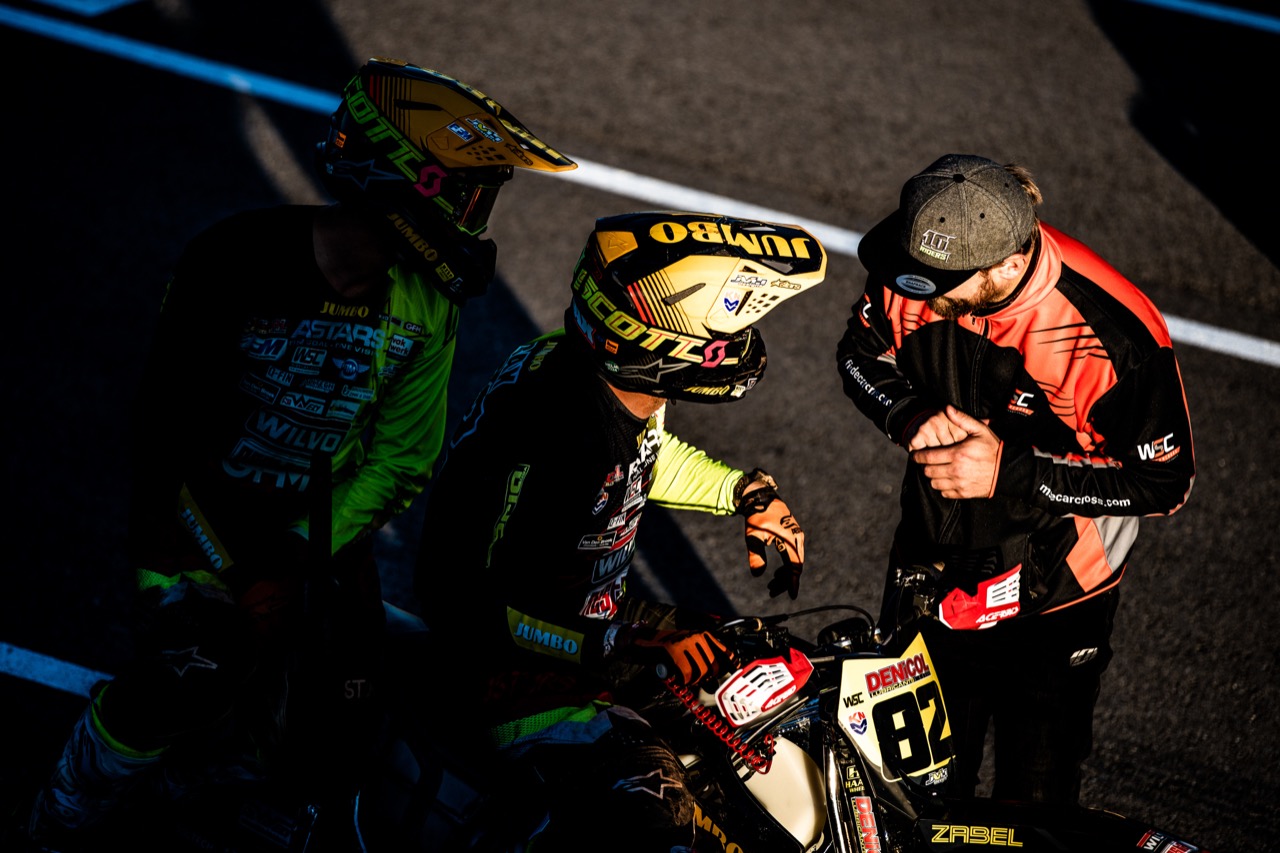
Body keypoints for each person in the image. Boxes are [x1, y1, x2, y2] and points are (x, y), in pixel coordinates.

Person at [26, 57, 576, 844]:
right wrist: (233, 571)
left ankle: (195, 790)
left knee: (346, 712)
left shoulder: (431, 304)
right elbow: (163, 432)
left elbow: (402, 457)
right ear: (408, 182)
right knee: (197, 667)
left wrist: (295, 557)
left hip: (317, 534)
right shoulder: (233, 259)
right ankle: (61, 810)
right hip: (191, 520)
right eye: (469, 198)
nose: (476, 225)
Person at [416, 211, 825, 850]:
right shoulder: (557, 431)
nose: (736, 345)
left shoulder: (613, 385)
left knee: (786, 677)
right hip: (509, 666)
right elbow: (468, 603)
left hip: (597, 625)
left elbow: (642, 461)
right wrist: (625, 642)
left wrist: (742, 493)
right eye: (721, 335)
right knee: (660, 814)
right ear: (656, 344)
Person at [835, 154, 1195, 805]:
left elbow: (1163, 482)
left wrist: (1008, 471)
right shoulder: (915, 267)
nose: (916, 294)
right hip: (929, 574)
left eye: (942, 284)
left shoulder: (1111, 333)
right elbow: (859, 354)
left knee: (1034, 803)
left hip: (1055, 595)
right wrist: (908, 413)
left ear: (1007, 263)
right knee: (909, 795)